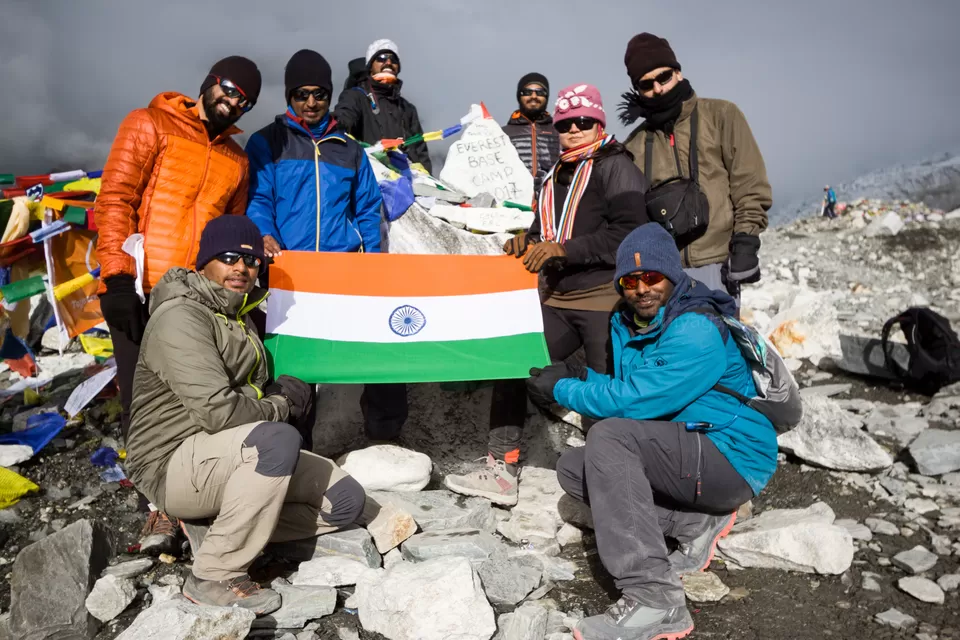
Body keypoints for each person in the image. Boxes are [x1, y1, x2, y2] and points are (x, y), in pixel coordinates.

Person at [536, 223, 777, 640]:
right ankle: (693, 524)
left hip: (732, 456)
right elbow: (629, 386)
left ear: (672, 275)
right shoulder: (630, 321)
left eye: (651, 276)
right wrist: (576, 378)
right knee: (576, 467)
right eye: (630, 281)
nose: (641, 288)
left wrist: (562, 389)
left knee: (609, 437)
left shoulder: (695, 327)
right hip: (689, 448)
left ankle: (655, 599)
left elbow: (635, 400)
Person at [125, 216, 366, 614]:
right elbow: (218, 412)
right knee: (279, 440)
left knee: (344, 502)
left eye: (251, 261)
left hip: (225, 454)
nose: (241, 268)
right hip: (171, 462)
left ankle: (217, 529)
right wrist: (281, 404)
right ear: (204, 262)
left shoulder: (237, 313)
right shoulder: (180, 317)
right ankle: (214, 574)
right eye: (229, 257)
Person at [444, 84, 649, 506]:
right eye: (565, 123)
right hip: (558, 297)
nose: (574, 129)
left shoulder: (617, 166)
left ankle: (609, 483)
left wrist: (563, 250)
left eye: (583, 121)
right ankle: (502, 468)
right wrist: (530, 239)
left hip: (602, 299)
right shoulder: (556, 172)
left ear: (599, 123)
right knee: (513, 360)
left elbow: (629, 233)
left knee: (603, 391)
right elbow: (547, 229)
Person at [94, 55, 261, 556]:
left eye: (245, 100)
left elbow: (230, 232)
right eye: (228, 89)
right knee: (141, 401)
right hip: (141, 289)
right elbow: (115, 199)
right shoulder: (149, 124)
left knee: (197, 397)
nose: (233, 102)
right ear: (209, 83)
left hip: (194, 299)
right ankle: (158, 506)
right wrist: (117, 277)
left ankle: (197, 491)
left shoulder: (236, 160)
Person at [245, 49, 404, 446]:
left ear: (330, 95)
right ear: (289, 96)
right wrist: (265, 234)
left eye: (319, 94)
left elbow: (367, 208)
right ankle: (296, 450)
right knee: (293, 368)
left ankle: (383, 441)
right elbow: (259, 199)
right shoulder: (268, 142)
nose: (311, 102)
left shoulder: (348, 148)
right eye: (301, 94)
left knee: (376, 350)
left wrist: (373, 261)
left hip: (341, 271)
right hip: (288, 271)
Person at [619, 33, 772, 299]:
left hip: (718, 263)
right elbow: (632, 217)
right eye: (646, 84)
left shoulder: (722, 115)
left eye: (664, 77)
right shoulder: (634, 145)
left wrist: (745, 242)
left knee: (713, 328)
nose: (658, 88)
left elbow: (749, 184)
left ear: (677, 72)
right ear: (638, 89)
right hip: (662, 275)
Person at [334, 39, 432, 173]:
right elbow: (344, 117)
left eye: (394, 59)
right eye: (381, 58)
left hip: (407, 180)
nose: (388, 62)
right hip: (369, 177)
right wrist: (335, 122)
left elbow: (421, 153)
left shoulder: (407, 108)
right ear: (370, 65)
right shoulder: (355, 97)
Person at [502, 73, 560, 199]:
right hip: (513, 202)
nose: (534, 96)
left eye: (540, 92)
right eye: (527, 92)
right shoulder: (502, 134)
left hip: (552, 201)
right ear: (519, 96)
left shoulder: (560, 132)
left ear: (547, 97)